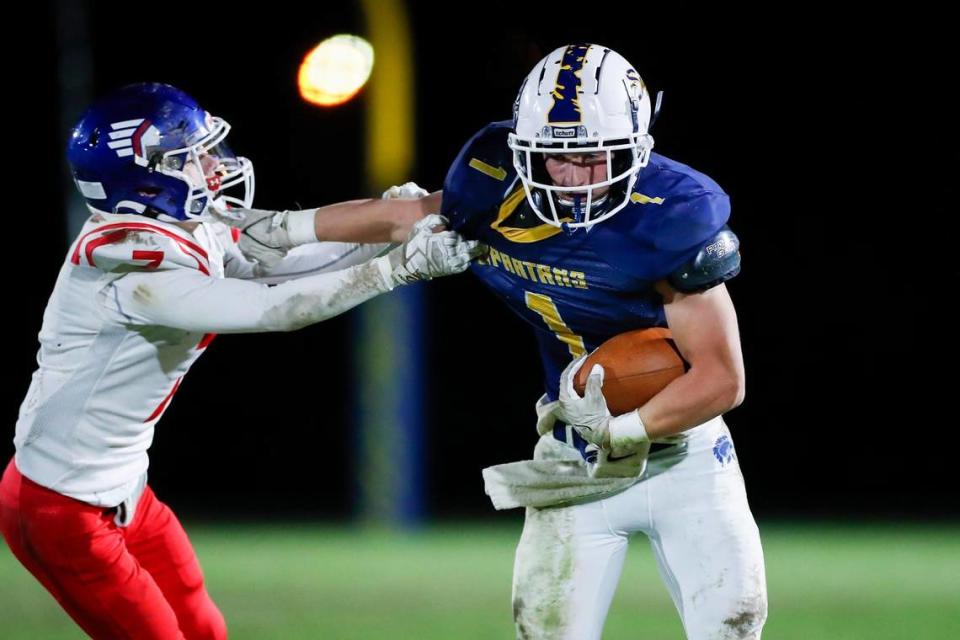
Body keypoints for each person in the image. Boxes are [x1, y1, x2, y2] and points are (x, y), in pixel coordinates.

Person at [0, 82, 476, 640]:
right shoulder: (128, 264)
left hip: (123, 484)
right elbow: (275, 307)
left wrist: (398, 226)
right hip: (62, 508)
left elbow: (287, 250)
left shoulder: (179, 226)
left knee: (206, 628)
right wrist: (399, 268)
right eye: (190, 157)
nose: (210, 165)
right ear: (145, 178)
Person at [440, 44, 768, 639]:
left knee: (732, 626)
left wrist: (622, 432)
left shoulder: (668, 218)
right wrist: (298, 231)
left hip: (683, 456)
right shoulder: (493, 204)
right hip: (574, 460)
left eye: (594, 156)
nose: (573, 179)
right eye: (554, 159)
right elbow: (395, 221)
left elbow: (722, 378)